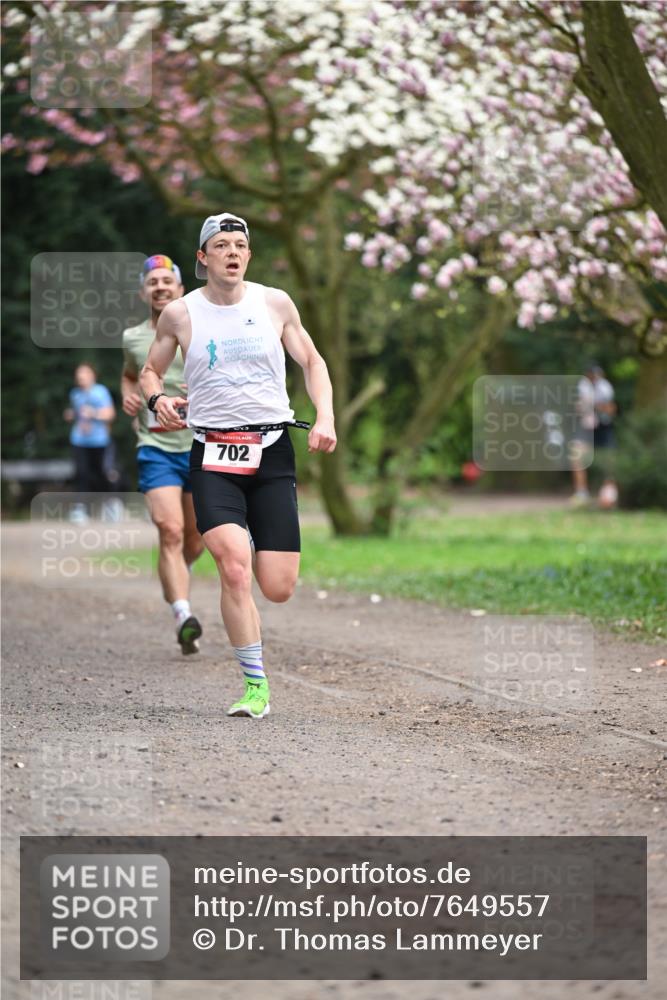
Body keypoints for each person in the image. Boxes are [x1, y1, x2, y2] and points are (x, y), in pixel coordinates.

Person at [140, 213, 336, 718]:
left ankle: (256, 562)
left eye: (240, 245)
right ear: (202, 257)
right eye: (221, 244)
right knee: (232, 565)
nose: (232, 252)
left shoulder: (274, 303)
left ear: (248, 255)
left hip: (271, 451)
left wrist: (325, 417)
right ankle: (255, 685)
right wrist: (158, 399)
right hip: (212, 453)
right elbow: (149, 371)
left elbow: (312, 362)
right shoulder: (180, 314)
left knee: (278, 587)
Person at [121, 254, 205, 655]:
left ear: (180, 289)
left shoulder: (200, 329)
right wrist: (128, 397)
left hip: (200, 445)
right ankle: (183, 614)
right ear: (143, 292)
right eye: (152, 282)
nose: (160, 287)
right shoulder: (132, 338)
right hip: (155, 447)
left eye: (166, 281)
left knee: (196, 539)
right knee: (169, 530)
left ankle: (177, 576)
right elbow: (129, 375)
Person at [570, 363, 618, 508]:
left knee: (609, 459)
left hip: (603, 427)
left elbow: (610, 409)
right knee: (577, 456)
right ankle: (581, 492)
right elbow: (578, 407)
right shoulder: (582, 385)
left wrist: (594, 406)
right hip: (586, 427)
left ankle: (608, 493)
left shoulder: (605, 387)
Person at [64, 362, 115, 496]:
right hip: (79, 440)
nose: (81, 375)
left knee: (102, 473)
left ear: (93, 375)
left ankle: (108, 501)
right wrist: (72, 415)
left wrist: (93, 413)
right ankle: (81, 504)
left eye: (84, 372)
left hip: (99, 440)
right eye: (79, 373)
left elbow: (110, 414)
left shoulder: (101, 391)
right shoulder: (75, 393)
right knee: (81, 473)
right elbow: (78, 413)